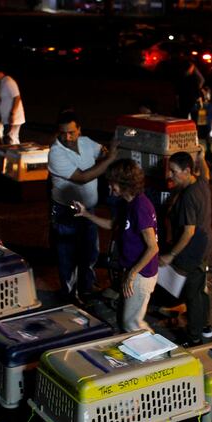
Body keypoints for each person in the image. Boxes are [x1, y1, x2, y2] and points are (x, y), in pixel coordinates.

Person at [74, 160, 159, 331]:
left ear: (123, 183)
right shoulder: (128, 204)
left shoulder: (140, 207)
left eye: (112, 183)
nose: (109, 187)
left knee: (132, 325)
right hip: (132, 271)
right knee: (126, 320)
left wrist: (132, 274)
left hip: (140, 275)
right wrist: (85, 214)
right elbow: (113, 225)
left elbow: (153, 247)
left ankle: (156, 355)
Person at [47, 110, 119, 304]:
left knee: (90, 252)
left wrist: (108, 152)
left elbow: (102, 152)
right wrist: (110, 159)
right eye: (63, 133)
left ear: (79, 129)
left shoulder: (86, 142)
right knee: (67, 255)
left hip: (88, 209)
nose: (67, 137)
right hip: (66, 211)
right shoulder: (56, 153)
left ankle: (87, 288)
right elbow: (83, 177)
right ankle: (70, 295)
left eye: (71, 132)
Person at [160, 149, 212, 346]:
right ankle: (206, 326)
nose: (170, 175)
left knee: (193, 294)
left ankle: (193, 337)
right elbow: (206, 173)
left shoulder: (187, 197)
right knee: (200, 289)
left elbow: (188, 232)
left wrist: (171, 255)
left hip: (192, 250)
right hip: (205, 245)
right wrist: (203, 158)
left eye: (174, 171)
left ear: (187, 170)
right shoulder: (200, 182)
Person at [0, 65, 24, 145]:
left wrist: (12, 114)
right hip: (6, 118)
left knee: (12, 138)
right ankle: (7, 154)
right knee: (5, 136)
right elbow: (4, 99)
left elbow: (17, 97)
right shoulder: (2, 82)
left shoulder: (8, 81)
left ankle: (15, 156)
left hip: (12, 118)